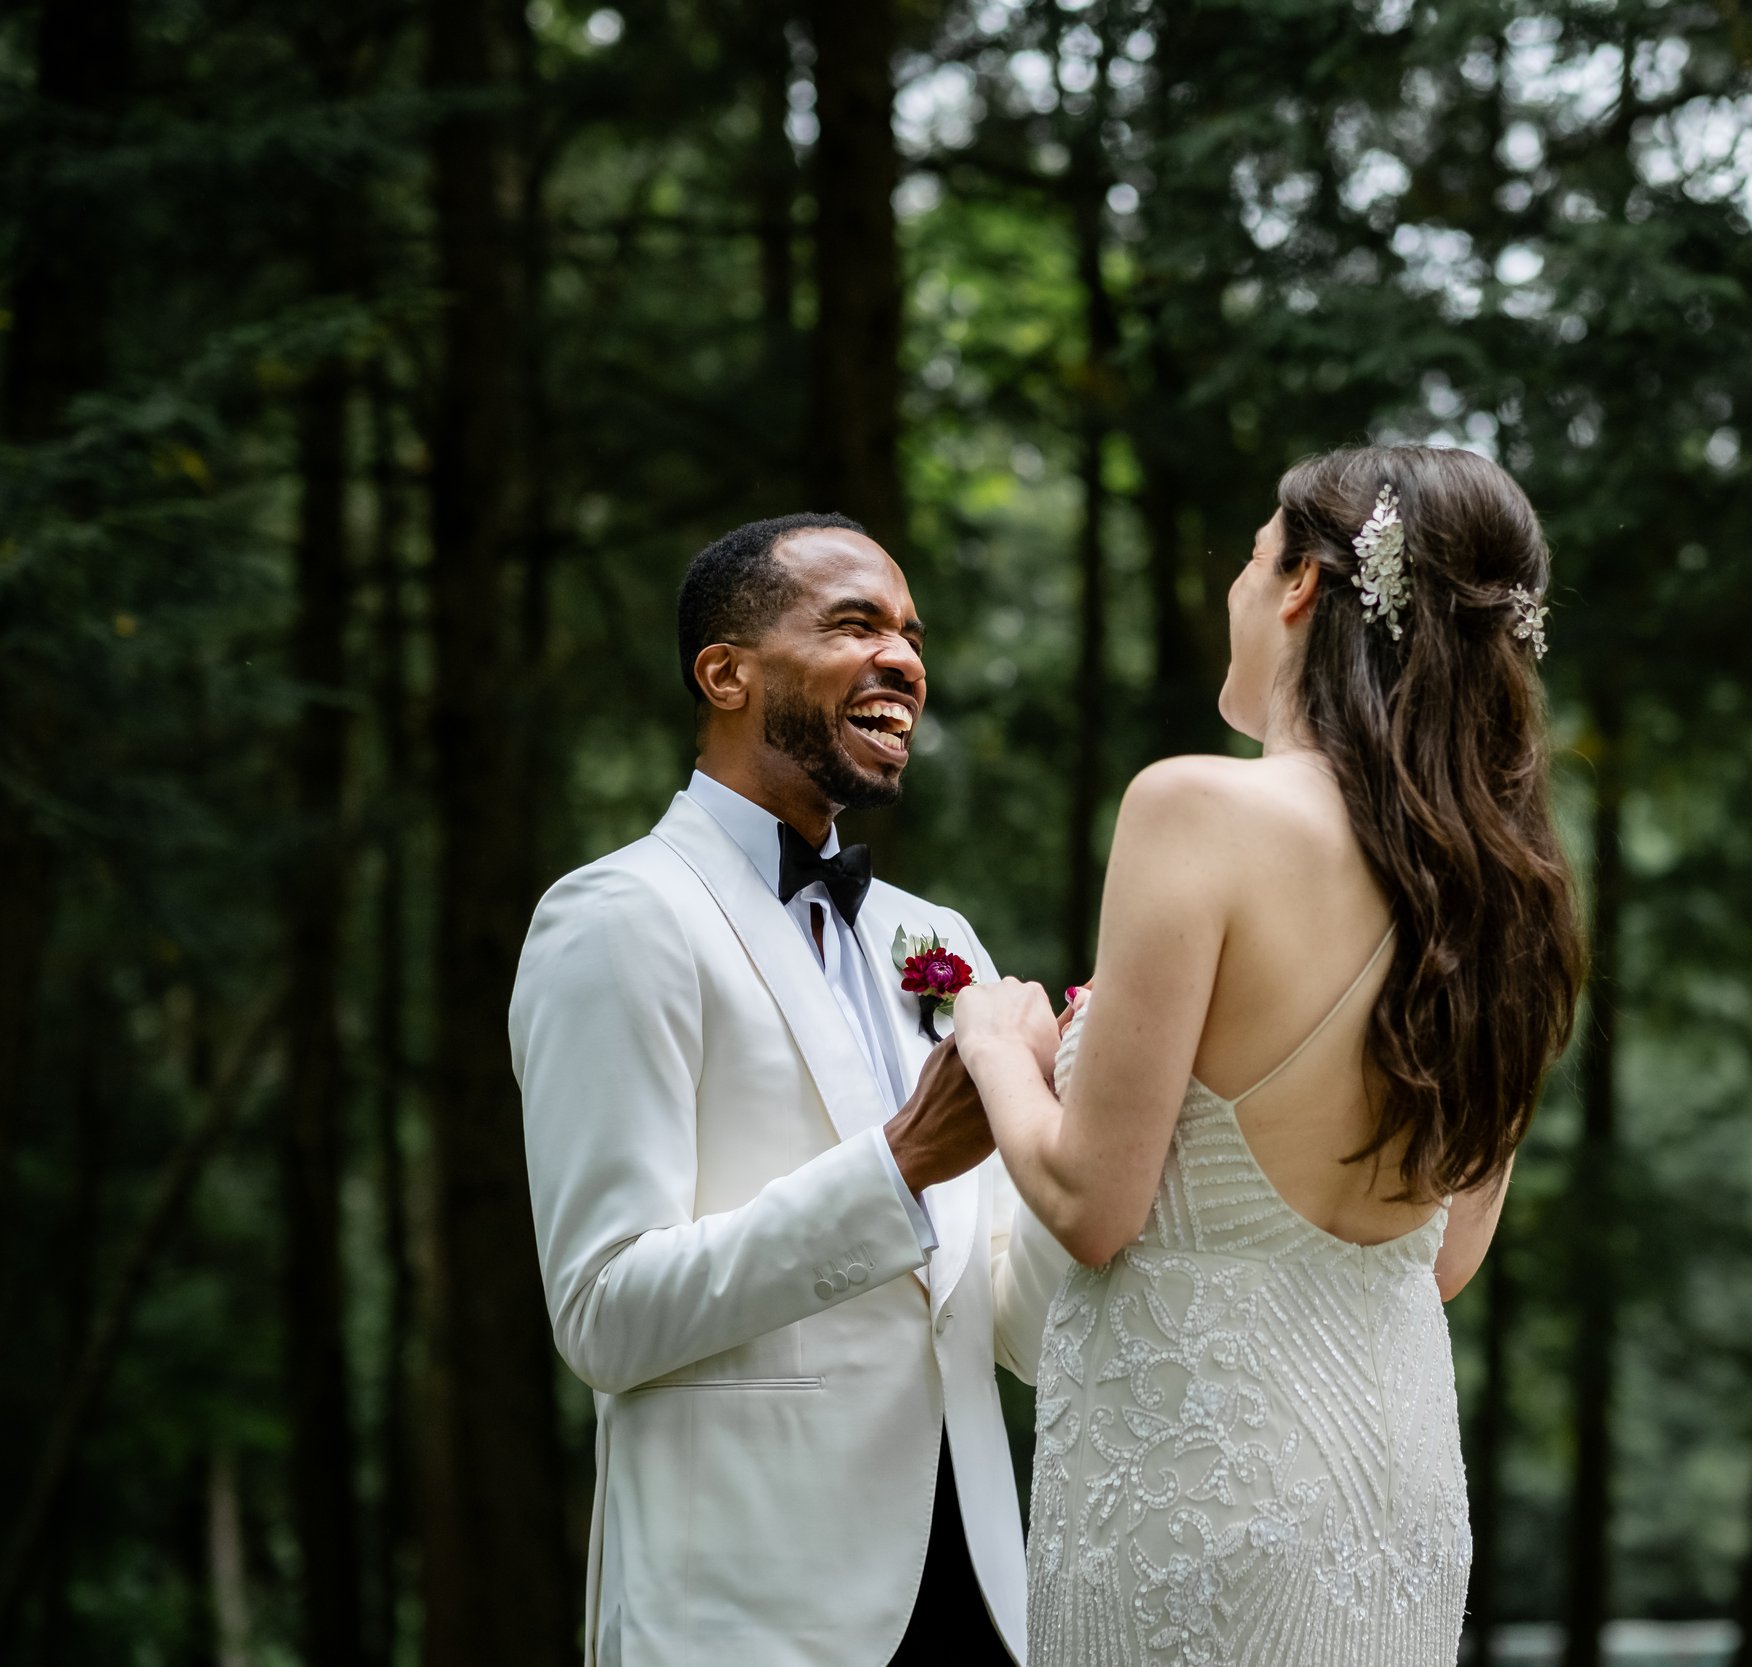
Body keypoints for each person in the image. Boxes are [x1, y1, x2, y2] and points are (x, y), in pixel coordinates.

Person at [952, 445, 1587, 1666]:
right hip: (1392, 1491)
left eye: (1251, 561)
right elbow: (1444, 1256)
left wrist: (997, 1050)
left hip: (1196, 1496)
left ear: (1300, 586)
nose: (1238, 593)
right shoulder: (1510, 886)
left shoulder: (1201, 809)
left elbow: (1091, 1203)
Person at [509, 512, 1072, 1665]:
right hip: (751, 1611)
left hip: (979, 1595)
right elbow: (605, 1313)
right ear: (726, 672)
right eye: (855, 622)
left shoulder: (937, 938)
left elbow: (1014, 1328)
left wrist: (1091, 1118)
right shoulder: (617, 917)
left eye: (911, 633)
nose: (905, 658)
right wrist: (901, 1160)